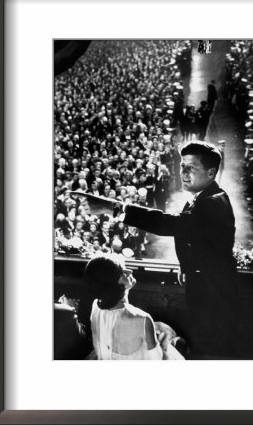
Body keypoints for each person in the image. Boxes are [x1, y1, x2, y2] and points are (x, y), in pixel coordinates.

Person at [72, 141, 239, 358]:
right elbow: (193, 235)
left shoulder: (213, 203)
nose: (184, 173)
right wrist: (187, 266)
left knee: (211, 345)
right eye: (182, 166)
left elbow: (169, 224)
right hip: (204, 284)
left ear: (211, 173)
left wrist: (111, 207)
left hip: (214, 293)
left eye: (192, 168)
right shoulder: (201, 198)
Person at [84, 253, 184, 360]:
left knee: (160, 329)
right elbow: (157, 359)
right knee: (167, 334)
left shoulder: (96, 306)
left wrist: (124, 289)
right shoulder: (143, 318)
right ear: (113, 286)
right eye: (122, 273)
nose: (130, 271)